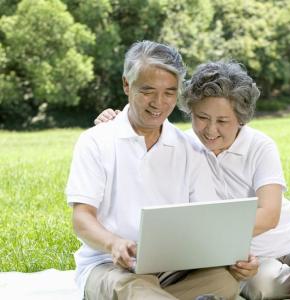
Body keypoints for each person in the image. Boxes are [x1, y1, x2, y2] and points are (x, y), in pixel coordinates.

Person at [95, 60, 290, 300]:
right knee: (263, 288)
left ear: (241, 119)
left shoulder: (259, 146)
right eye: (202, 118)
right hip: (245, 259)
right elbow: (140, 148)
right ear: (190, 111)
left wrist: (212, 236)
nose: (211, 130)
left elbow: (269, 216)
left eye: (223, 121)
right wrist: (115, 123)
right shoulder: (180, 147)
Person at [66, 41, 244, 300]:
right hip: (110, 266)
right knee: (137, 290)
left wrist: (234, 258)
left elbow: (206, 221)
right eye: (147, 90)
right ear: (127, 85)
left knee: (225, 283)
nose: (158, 103)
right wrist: (113, 243)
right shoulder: (95, 141)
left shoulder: (190, 149)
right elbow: (82, 219)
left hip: (173, 269)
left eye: (170, 93)